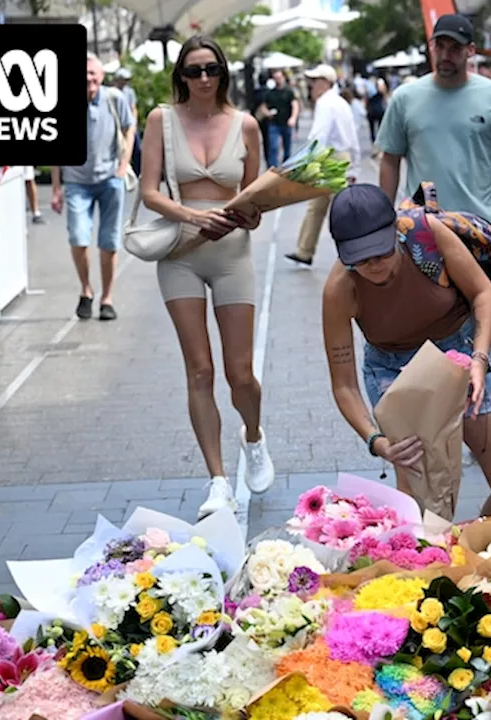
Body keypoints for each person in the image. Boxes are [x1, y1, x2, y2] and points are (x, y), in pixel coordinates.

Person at [321, 184, 491, 515]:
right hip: (397, 370)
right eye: (361, 260)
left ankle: (481, 545)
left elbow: (482, 293)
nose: (374, 265)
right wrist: (377, 442)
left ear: (395, 230)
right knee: (424, 507)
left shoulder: (426, 235)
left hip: (465, 349)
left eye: (381, 252)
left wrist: (480, 358)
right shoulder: (340, 290)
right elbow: (344, 385)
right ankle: (445, 561)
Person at [139, 35, 275, 518]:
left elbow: (256, 199)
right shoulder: (161, 120)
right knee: (199, 369)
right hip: (180, 248)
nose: (203, 79)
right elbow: (149, 191)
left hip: (232, 251)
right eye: (193, 71)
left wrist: (250, 214)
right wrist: (192, 216)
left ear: (223, 73)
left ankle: (253, 437)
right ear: (180, 76)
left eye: (211, 69)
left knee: (241, 373)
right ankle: (217, 479)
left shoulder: (246, 125)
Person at [376, 14, 491, 253]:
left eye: (455, 48)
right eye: (441, 47)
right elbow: (389, 161)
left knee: (488, 291)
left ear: (470, 51)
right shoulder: (405, 99)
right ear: (431, 46)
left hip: (480, 228)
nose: (446, 56)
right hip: (422, 228)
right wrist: (385, 224)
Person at [50, 54, 135, 321]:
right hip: (77, 181)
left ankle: (107, 298)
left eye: (92, 73)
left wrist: (123, 166)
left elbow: (129, 129)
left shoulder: (114, 98)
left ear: (101, 75)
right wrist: (55, 188)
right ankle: (86, 289)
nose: (89, 79)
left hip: (110, 178)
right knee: (78, 237)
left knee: (109, 241)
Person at [286, 64, 360, 267]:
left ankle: (354, 252)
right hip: (340, 157)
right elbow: (353, 137)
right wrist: (355, 166)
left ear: (325, 82)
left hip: (329, 158)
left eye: (315, 80)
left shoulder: (325, 103)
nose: (311, 85)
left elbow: (318, 136)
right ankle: (304, 251)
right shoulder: (340, 102)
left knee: (337, 210)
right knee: (319, 207)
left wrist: (304, 163)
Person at [258, 69, 299, 168]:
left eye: (279, 78)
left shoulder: (289, 92)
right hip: (274, 123)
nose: (278, 80)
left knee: (287, 148)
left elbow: (295, 105)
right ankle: (273, 168)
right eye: (276, 78)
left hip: (286, 122)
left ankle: (286, 167)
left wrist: (293, 118)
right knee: (274, 147)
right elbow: (263, 106)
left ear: (283, 78)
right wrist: (267, 113)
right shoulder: (270, 93)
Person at [114, 68, 143, 177]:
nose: (125, 82)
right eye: (123, 79)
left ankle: (137, 172)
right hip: (117, 125)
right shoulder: (113, 92)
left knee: (137, 149)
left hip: (129, 125)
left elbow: (133, 108)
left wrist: (134, 123)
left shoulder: (129, 92)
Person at [365, 76, 388, 143]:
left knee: (372, 128)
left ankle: (374, 141)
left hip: (371, 111)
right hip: (379, 110)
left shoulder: (369, 92)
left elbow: (366, 100)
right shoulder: (379, 92)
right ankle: (380, 141)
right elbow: (384, 97)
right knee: (380, 127)